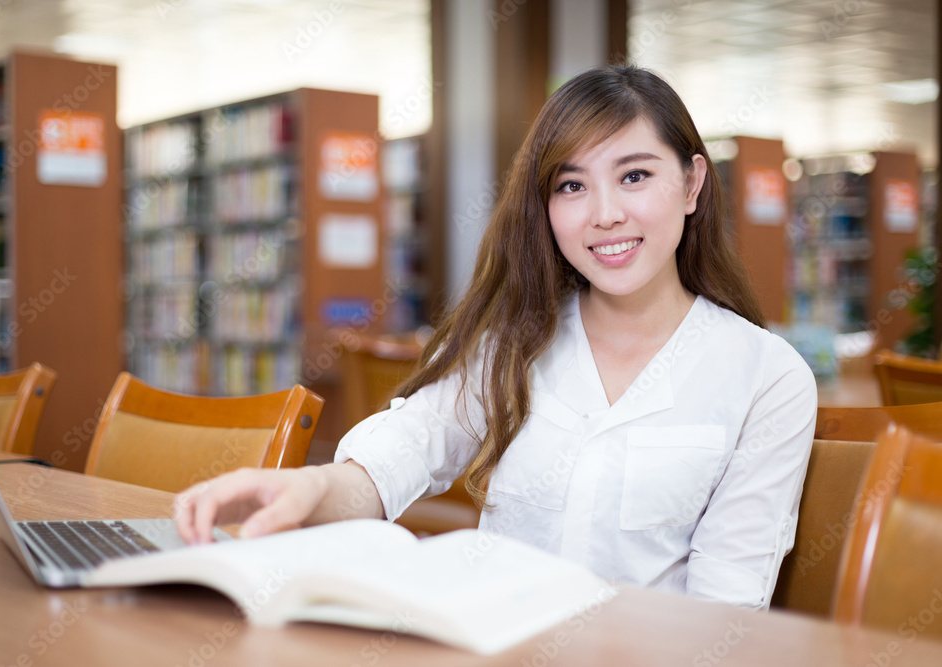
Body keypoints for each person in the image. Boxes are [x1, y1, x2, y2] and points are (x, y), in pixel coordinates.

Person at [175, 64, 817, 611]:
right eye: (571, 185)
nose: (604, 214)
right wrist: (315, 486)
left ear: (693, 185)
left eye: (635, 175)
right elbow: (408, 445)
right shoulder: (518, 338)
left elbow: (724, 613)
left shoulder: (766, 376)